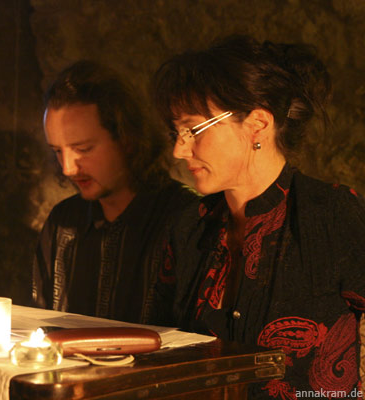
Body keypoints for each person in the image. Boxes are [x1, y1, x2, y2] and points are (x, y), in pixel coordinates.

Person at [153, 35, 365, 399]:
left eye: (193, 130)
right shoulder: (189, 226)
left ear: (258, 124)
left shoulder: (331, 214)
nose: (179, 149)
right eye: (176, 132)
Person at [32, 60, 198, 324]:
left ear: (126, 138)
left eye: (83, 149)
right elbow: (41, 325)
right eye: (58, 151)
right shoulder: (63, 221)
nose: (68, 168)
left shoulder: (184, 219)